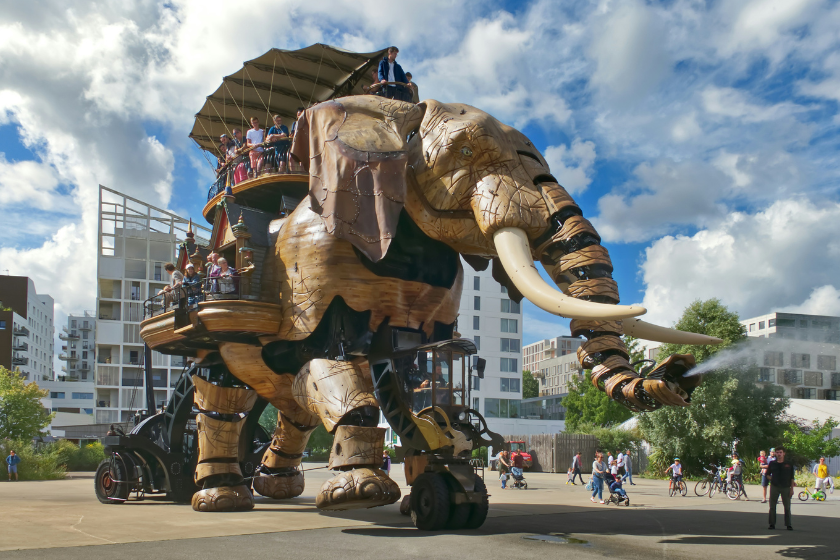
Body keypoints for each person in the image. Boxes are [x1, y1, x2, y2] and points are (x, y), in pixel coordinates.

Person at [767, 445, 794, 530]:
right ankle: (772, 524)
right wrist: (772, 479)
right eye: (777, 452)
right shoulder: (772, 463)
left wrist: (792, 489)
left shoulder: (788, 464)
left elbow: (792, 477)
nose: (779, 454)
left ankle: (788, 524)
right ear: (775, 453)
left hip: (785, 487)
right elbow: (767, 474)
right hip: (775, 486)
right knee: (772, 506)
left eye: (780, 452)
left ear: (784, 453)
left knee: (787, 506)